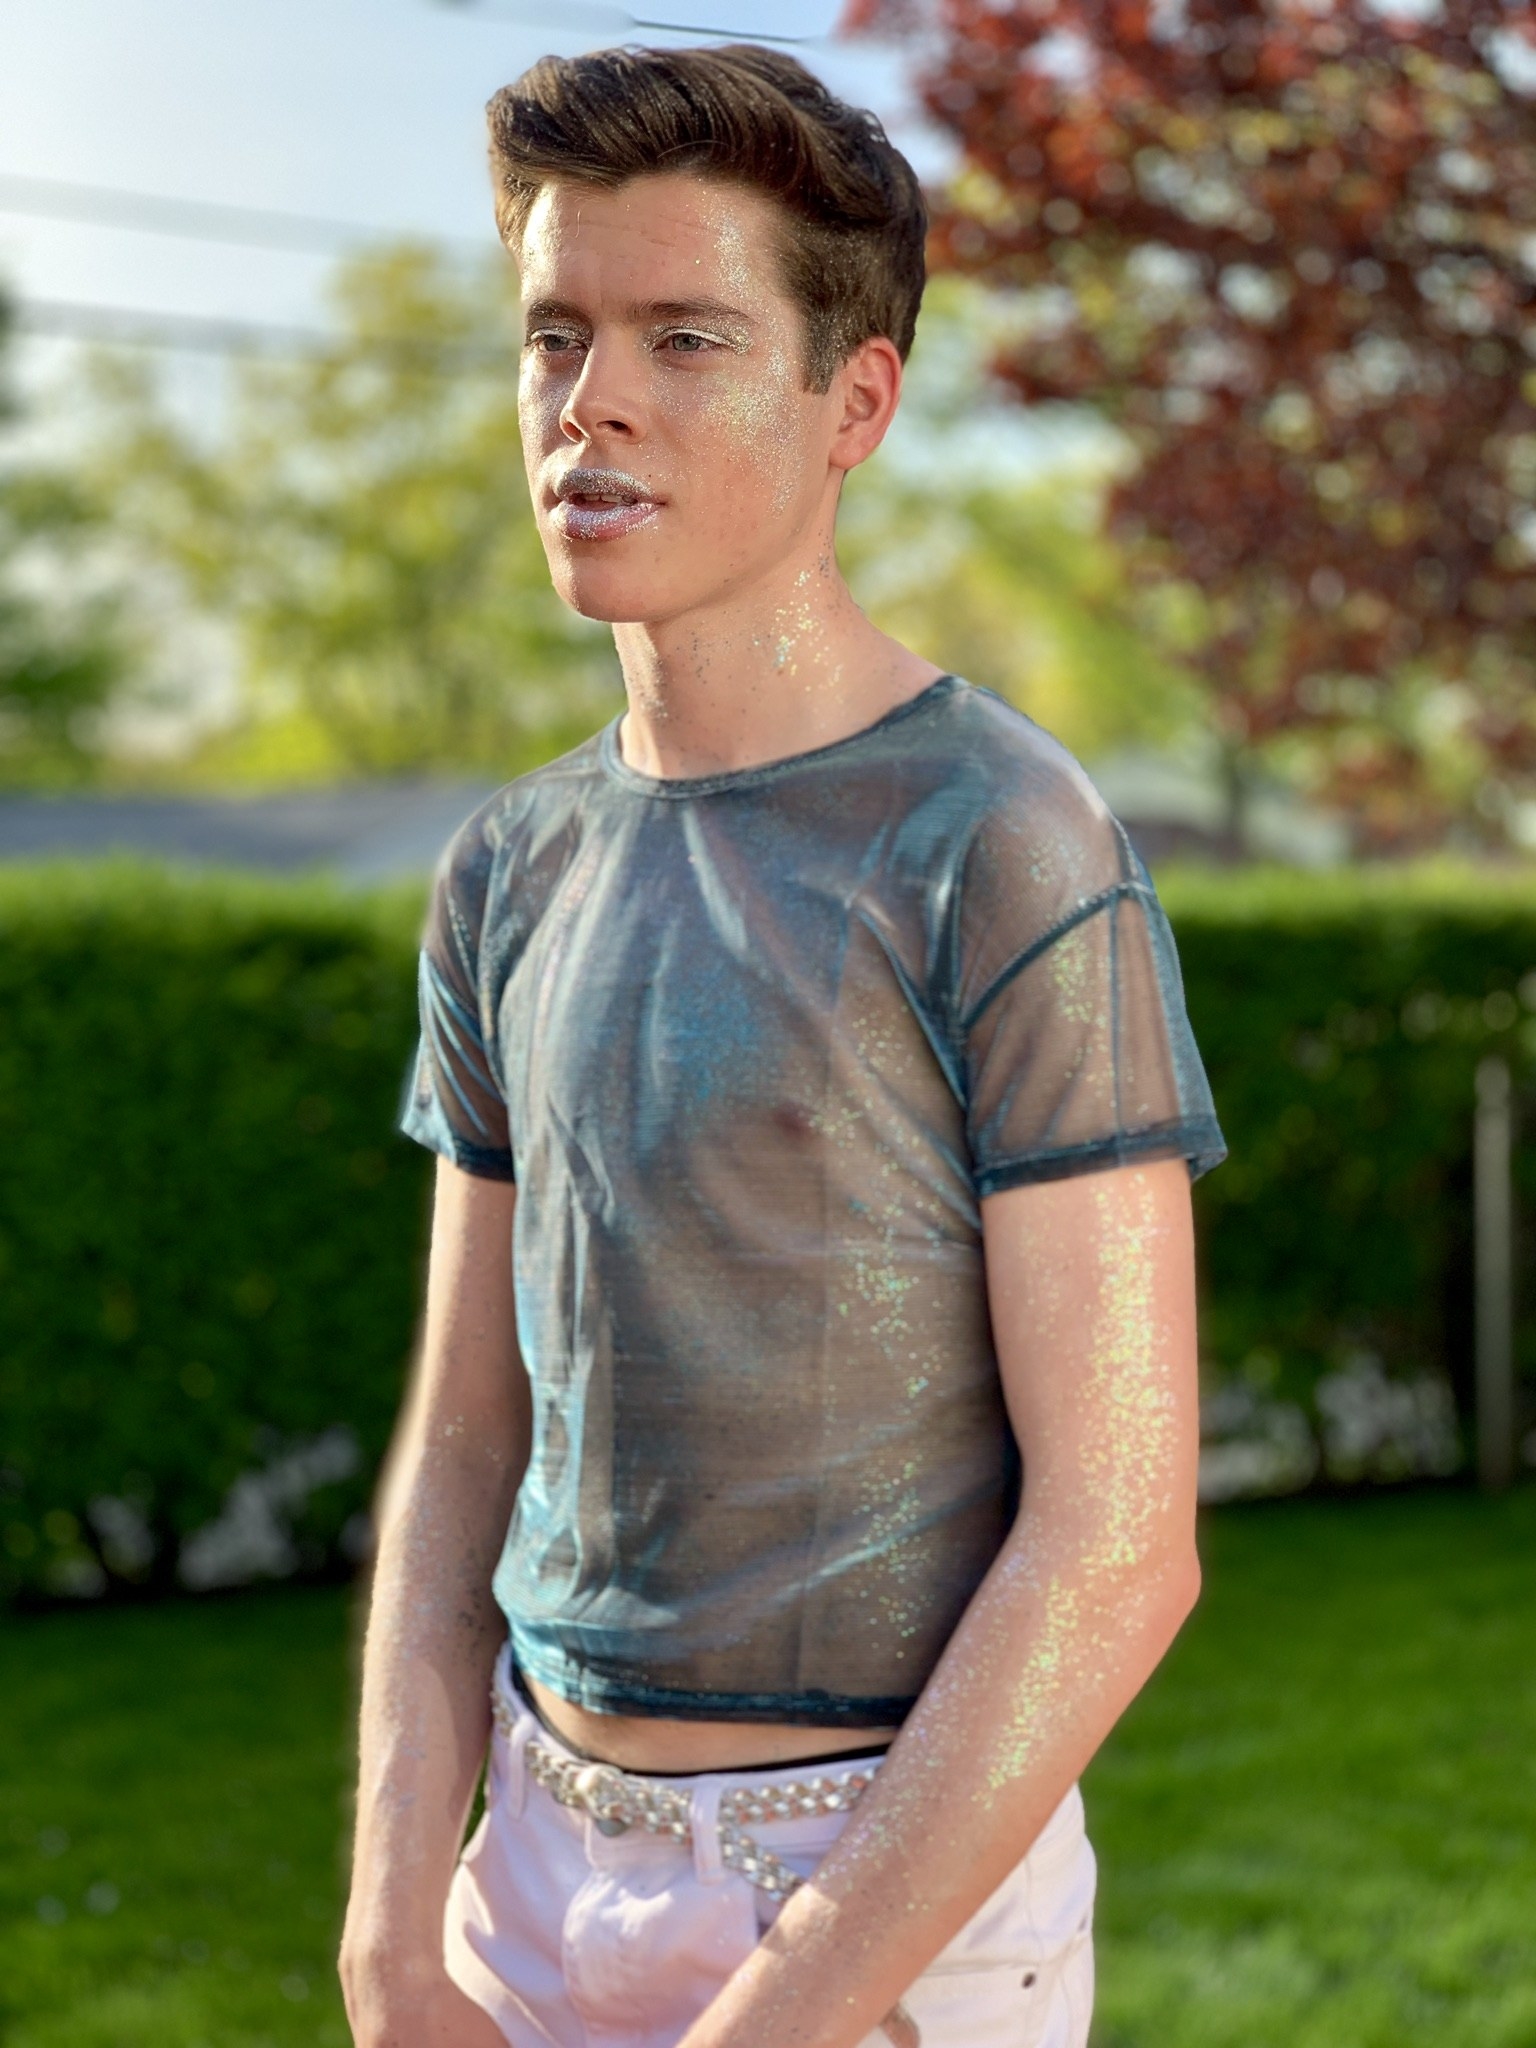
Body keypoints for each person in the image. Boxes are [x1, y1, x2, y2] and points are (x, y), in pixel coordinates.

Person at [340, 41, 1225, 2048]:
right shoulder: (509, 869)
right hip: (524, 1865)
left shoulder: (1001, 839)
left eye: (686, 336)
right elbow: (467, 1437)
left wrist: (796, 2004)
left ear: (857, 403)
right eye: (554, 335)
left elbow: (1120, 1535)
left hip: (878, 1899)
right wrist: (398, 1921)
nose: (593, 403)